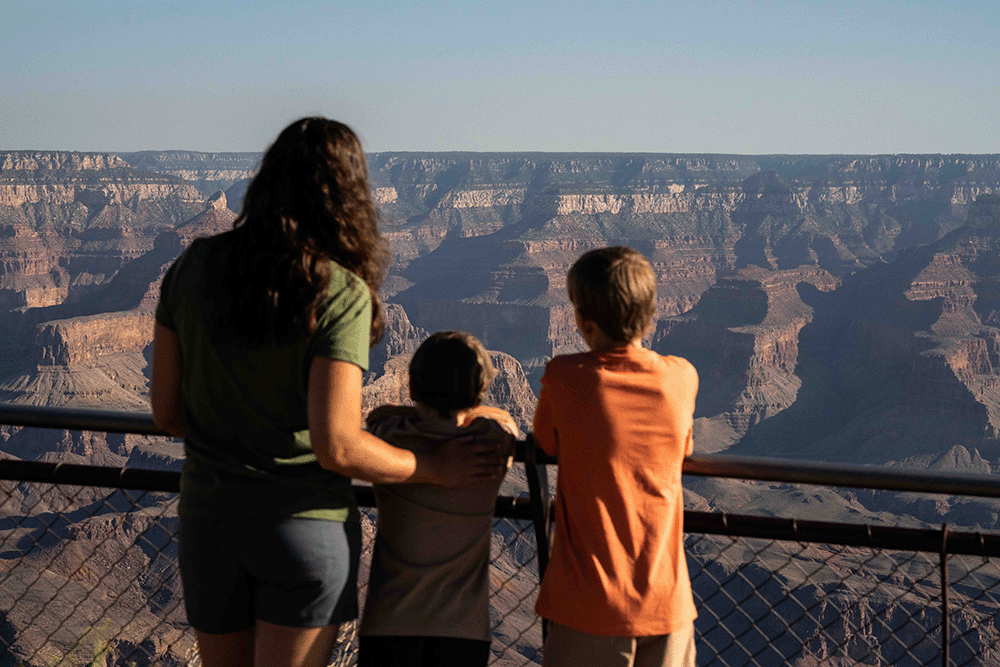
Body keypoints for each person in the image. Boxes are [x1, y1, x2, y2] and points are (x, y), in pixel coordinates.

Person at [150, 118, 501, 667]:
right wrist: (434, 468)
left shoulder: (193, 265)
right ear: (348, 196)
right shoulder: (339, 291)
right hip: (303, 528)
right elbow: (336, 445)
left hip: (209, 524)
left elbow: (167, 412)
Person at [532, 246, 699, 667]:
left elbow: (545, 443)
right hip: (667, 605)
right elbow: (684, 448)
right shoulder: (682, 377)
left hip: (588, 605)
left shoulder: (565, 377)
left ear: (583, 322)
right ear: (651, 314)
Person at [358, 330, 518, 667]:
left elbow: (376, 414)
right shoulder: (490, 445)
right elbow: (506, 420)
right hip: (463, 631)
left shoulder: (389, 437)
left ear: (412, 388)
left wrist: (411, 410)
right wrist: (472, 407)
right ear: (479, 392)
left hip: (389, 623)